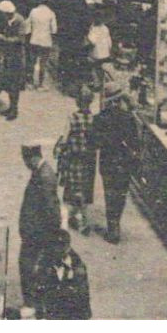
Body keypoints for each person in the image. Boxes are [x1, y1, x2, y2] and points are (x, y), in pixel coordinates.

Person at [90, 82, 141, 243]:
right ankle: (116, 222)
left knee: (109, 193)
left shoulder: (100, 118)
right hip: (124, 162)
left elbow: (94, 142)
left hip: (107, 162)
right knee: (121, 194)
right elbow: (136, 143)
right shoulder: (128, 119)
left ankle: (112, 226)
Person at [19, 141, 62, 309]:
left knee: (28, 265)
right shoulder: (42, 172)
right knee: (32, 266)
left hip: (37, 232)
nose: (25, 164)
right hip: (36, 230)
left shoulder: (44, 176)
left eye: (26, 160)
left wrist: (51, 234)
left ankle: (32, 302)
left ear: (32, 158)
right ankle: (34, 300)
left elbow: (50, 208)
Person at [56, 91, 98, 234]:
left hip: (74, 157)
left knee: (72, 188)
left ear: (77, 102)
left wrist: (59, 151)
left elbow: (64, 138)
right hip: (89, 159)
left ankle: (68, 221)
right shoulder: (94, 119)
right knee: (84, 189)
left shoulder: (72, 118)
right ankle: (82, 219)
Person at [33, 228, 92, 319]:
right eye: (56, 247)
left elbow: (83, 293)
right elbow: (38, 289)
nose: (59, 250)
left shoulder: (77, 265)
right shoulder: (43, 263)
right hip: (52, 308)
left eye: (63, 246)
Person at [0, 0, 28, 120]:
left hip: (16, 57)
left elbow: (20, 39)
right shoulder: (5, 21)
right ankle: (10, 107)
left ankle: (14, 109)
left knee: (14, 84)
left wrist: (3, 39)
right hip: (6, 56)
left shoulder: (20, 21)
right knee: (7, 83)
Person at [26, 0, 59, 88]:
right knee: (43, 63)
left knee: (32, 62)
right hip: (46, 41)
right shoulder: (51, 13)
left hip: (34, 40)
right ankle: (40, 84)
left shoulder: (33, 11)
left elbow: (28, 27)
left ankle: (31, 83)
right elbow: (54, 30)